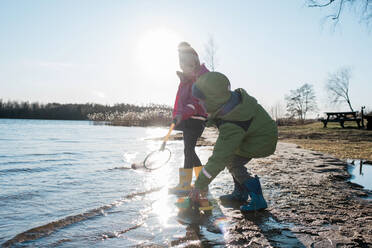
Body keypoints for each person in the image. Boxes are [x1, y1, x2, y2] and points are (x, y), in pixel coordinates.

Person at [189, 71, 278, 211]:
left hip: (261, 140)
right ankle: (240, 193)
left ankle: (258, 198)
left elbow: (219, 158)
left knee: (231, 161)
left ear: (213, 98)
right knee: (231, 158)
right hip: (255, 135)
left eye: (201, 100)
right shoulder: (231, 104)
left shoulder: (233, 122)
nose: (200, 103)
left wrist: (199, 184)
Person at [168, 42, 210, 195]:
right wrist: (177, 116)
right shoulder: (184, 81)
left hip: (197, 119)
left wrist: (182, 114)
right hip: (187, 119)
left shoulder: (198, 80)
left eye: (188, 64)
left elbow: (193, 103)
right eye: (182, 64)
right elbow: (180, 102)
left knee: (188, 150)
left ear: (195, 64)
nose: (184, 67)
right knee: (189, 151)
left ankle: (186, 185)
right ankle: (202, 182)